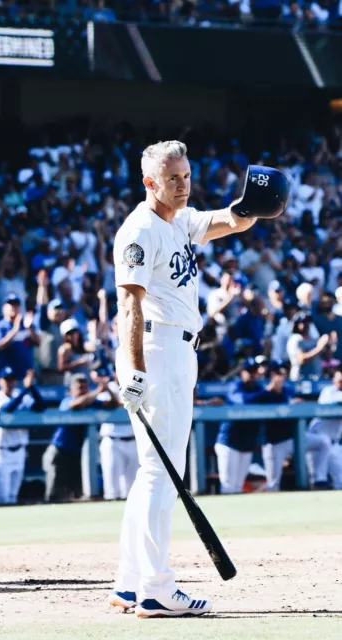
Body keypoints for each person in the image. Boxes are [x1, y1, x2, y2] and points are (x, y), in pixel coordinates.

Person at [109, 141, 288, 617]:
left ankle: (130, 583)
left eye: (186, 175)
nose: (183, 185)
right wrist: (135, 370)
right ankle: (156, 587)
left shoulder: (180, 219)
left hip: (178, 348)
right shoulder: (140, 229)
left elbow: (229, 220)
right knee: (162, 472)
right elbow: (128, 304)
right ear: (150, 183)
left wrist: (250, 206)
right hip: (158, 347)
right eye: (173, 179)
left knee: (154, 470)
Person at [42, 373, 119, 502]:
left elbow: (113, 404)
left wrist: (107, 389)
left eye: (85, 388)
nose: (83, 391)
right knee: (53, 493)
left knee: (76, 492)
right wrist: (98, 391)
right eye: (79, 388)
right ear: (71, 390)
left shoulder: (91, 402)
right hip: (59, 450)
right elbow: (76, 405)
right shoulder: (67, 400)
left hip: (76, 453)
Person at [257, 362, 331, 491]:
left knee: (323, 442)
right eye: (277, 373)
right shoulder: (263, 392)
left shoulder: (287, 390)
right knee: (273, 484)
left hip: (293, 439)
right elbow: (254, 403)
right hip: (274, 443)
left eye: (282, 373)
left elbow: (294, 405)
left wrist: (294, 403)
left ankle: (318, 480)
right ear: (271, 375)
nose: (280, 377)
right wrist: (272, 392)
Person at [0, 367, 45, 505]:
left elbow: (40, 407)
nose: (10, 383)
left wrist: (32, 387)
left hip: (19, 450)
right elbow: (7, 409)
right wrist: (26, 389)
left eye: (12, 379)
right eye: (6, 379)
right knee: (3, 496)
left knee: (13, 495)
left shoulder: (21, 394)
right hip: (1, 451)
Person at [214, 358, 264, 495]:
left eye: (255, 371)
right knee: (228, 487)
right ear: (242, 372)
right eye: (250, 371)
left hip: (246, 444)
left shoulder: (259, 388)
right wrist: (265, 394)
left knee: (238, 487)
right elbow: (242, 402)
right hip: (229, 443)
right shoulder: (235, 386)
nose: (253, 374)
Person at [95, 370, 139, 501]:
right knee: (112, 486)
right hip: (112, 440)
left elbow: (127, 404)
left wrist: (108, 389)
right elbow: (108, 404)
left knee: (134, 487)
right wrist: (106, 388)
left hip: (133, 440)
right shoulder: (107, 388)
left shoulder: (136, 385)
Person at [0, 293, 40, 381]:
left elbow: (38, 343)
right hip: (7, 377)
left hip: (26, 376)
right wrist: (15, 329)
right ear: (3, 307)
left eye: (16, 305)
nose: (14, 307)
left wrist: (30, 328)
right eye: (11, 304)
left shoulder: (26, 324)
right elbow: (0, 345)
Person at [308, 368, 342, 490]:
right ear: (334, 380)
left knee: (341, 481)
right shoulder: (328, 391)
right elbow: (329, 405)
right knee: (317, 480)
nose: (341, 383)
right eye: (339, 380)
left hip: (335, 445)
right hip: (318, 443)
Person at [287, 312, 329, 381]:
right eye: (303, 322)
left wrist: (327, 345)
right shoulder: (295, 339)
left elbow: (325, 357)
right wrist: (320, 347)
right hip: (300, 380)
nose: (306, 325)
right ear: (296, 324)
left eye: (308, 322)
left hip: (316, 379)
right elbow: (302, 359)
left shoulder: (313, 340)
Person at [57, 318, 96, 386]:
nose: (73, 335)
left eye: (75, 332)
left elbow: (94, 347)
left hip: (86, 382)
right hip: (72, 384)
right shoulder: (64, 349)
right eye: (69, 333)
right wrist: (78, 363)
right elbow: (61, 368)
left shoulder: (82, 346)